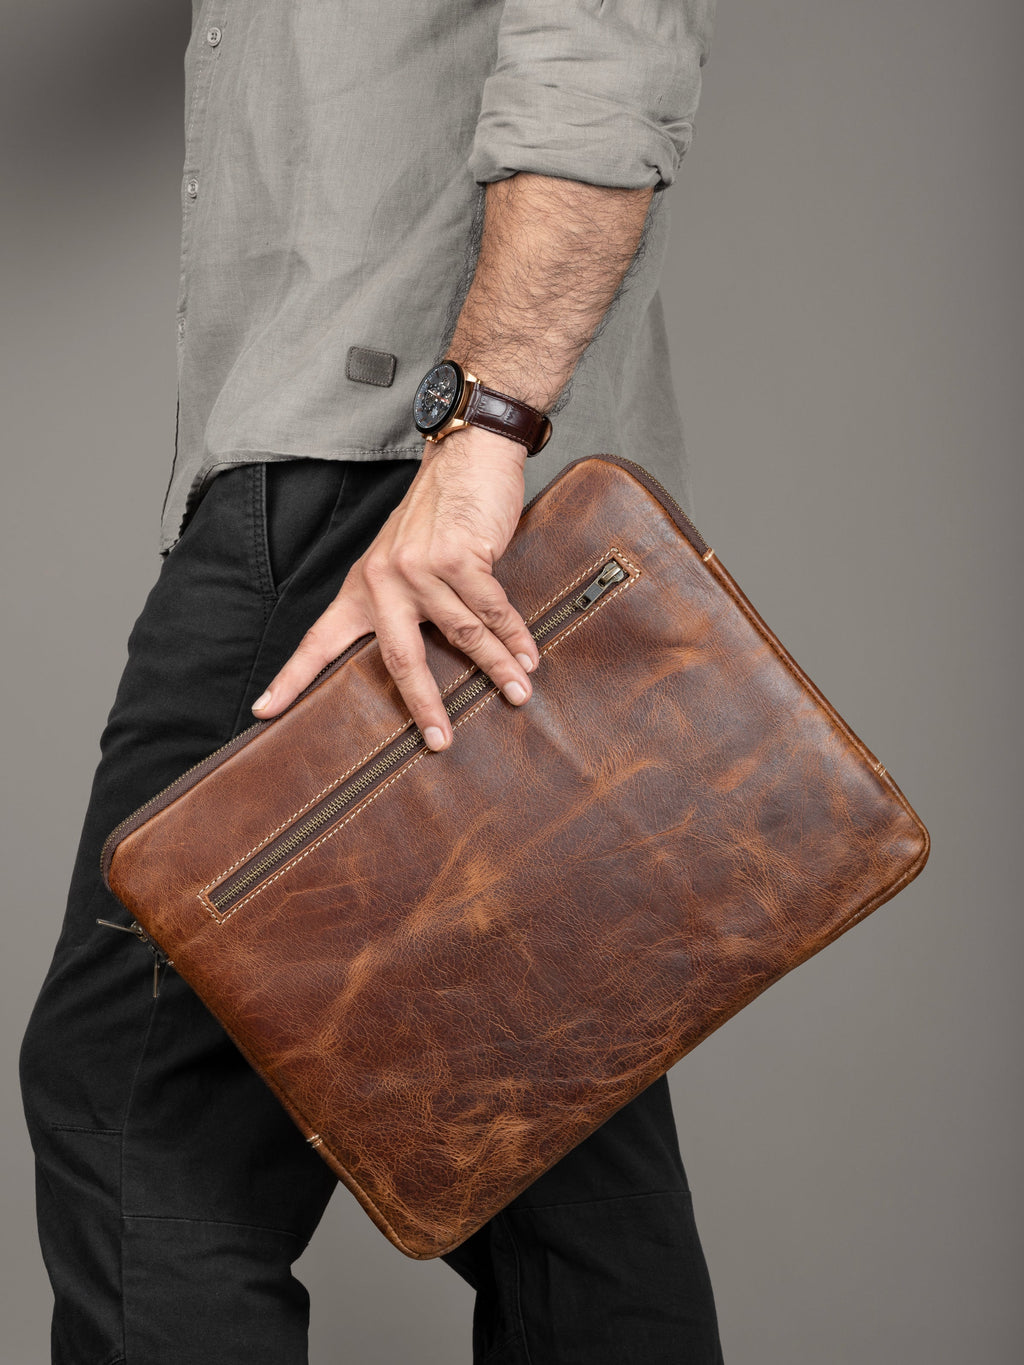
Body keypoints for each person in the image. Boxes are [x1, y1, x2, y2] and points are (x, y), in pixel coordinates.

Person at [19, 2, 724, 1361]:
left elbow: (607, 39)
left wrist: (483, 437)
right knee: (548, 1138)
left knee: (140, 1109)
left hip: (389, 498)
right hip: (469, 502)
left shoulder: (430, 481)